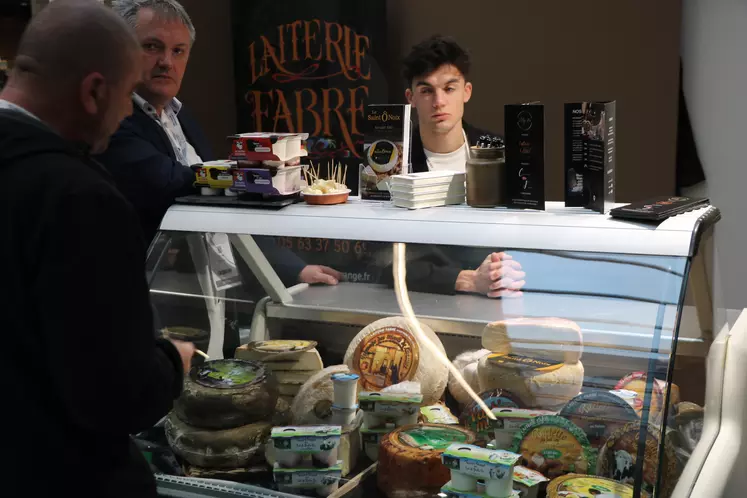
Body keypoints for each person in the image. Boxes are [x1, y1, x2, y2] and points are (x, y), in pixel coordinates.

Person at [0, 1, 195, 496]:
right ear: (93, 92)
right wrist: (171, 362)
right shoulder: (78, 197)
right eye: (127, 93)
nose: (129, 111)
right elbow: (115, 394)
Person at [99, 0, 340, 287]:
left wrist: (292, 269)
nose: (166, 62)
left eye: (178, 51)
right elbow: (170, 183)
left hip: (209, 294)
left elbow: (222, 211)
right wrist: (262, 174)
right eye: (152, 47)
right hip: (149, 295)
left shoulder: (181, 117)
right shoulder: (111, 120)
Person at [403, 35, 500, 173]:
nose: (439, 102)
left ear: (466, 92)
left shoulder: (499, 152)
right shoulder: (396, 161)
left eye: (449, 89)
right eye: (426, 91)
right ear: (411, 97)